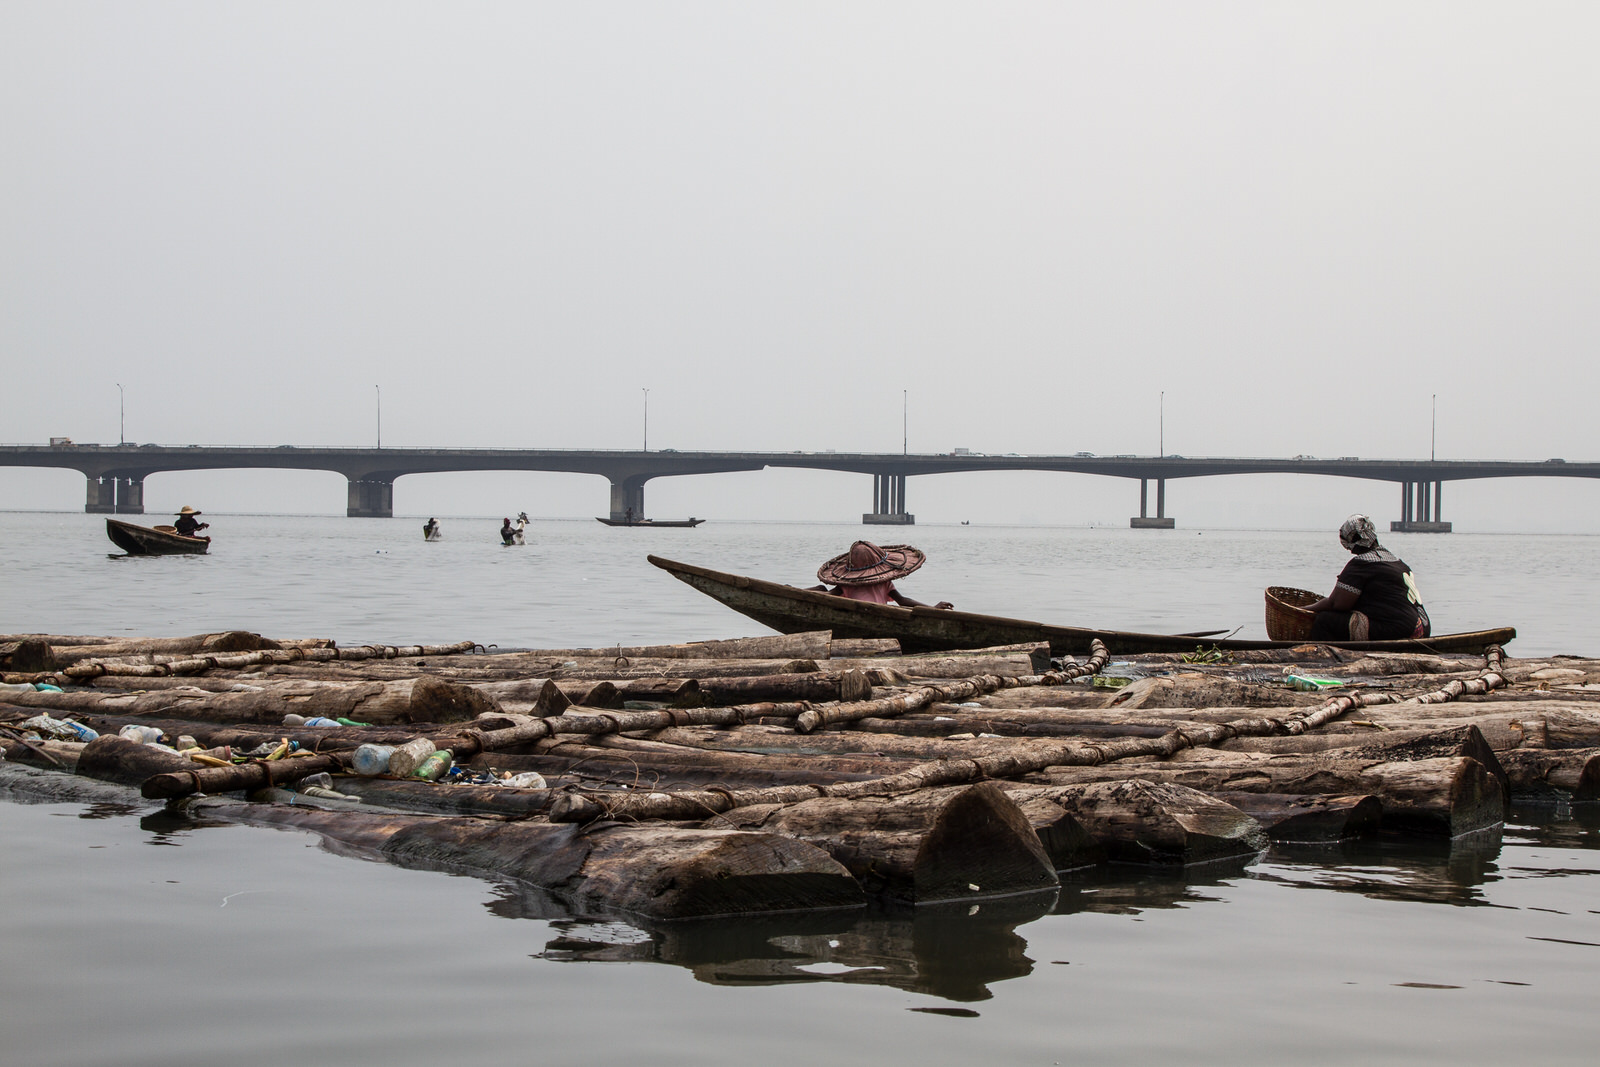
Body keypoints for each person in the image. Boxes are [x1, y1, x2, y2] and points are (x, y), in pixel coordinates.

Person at [1307, 514, 1430, 641]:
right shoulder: (1397, 562)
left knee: (1325, 620)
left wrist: (1304, 610)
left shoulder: (1362, 563)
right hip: (1423, 628)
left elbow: (1336, 604)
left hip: (1401, 630)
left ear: (1352, 540)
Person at [811, 540, 953, 609]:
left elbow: (828, 596)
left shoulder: (846, 585)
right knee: (822, 590)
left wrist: (809, 593)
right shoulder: (884, 582)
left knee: (822, 590)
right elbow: (903, 601)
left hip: (859, 613)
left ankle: (814, 588)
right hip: (878, 612)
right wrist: (933, 608)